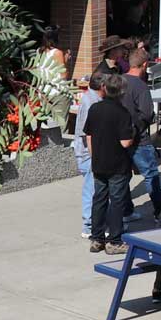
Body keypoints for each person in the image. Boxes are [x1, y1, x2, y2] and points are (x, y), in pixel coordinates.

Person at [84, 74, 137, 253]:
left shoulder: (95, 109)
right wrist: (133, 132)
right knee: (116, 201)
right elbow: (125, 142)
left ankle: (97, 238)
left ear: (104, 88)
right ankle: (114, 241)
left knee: (99, 199)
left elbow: (88, 135)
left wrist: (94, 155)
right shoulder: (123, 113)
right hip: (117, 165)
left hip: (99, 162)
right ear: (122, 92)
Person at [122, 50, 161, 219]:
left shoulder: (117, 81)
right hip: (139, 140)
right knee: (150, 175)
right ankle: (160, 211)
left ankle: (126, 210)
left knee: (123, 176)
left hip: (120, 139)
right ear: (145, 65)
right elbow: (147, 114)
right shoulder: (140, 86)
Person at [71, 70, 104, 241]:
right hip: (89, 153)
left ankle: (93, 223)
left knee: (94, 188)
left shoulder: (94, 100)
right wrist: (94, 155)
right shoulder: (90, 102)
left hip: (90, 152)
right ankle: (88, 225)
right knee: (91, 189)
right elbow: (86, 133)